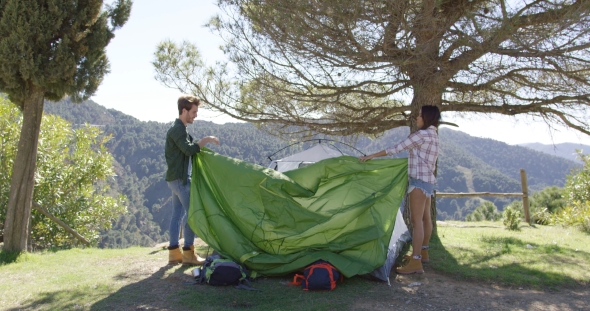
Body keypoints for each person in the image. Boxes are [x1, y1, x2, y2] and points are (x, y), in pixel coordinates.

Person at [359, 105, 441, 274]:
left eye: (419, 115)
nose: (417, 118)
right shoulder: (434, 135)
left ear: (426, 117)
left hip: (418, 182)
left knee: (416, 221)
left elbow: (396, 148)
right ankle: (423, 252)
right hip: (429, 182)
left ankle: (416, 262)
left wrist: (372, 156)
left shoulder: (421, 135)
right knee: (426, 219)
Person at [166, 95, 220, 265]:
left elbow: (186, 148)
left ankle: (174, 253)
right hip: (180, 181)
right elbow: (189, 150)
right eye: (194, 112)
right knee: (191, 214)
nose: (195, 115)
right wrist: (206, 140)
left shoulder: (180, 129)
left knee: (176, 215)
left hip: (175, 180)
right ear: (184, 111)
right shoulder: (178, 130)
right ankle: (188, 253)